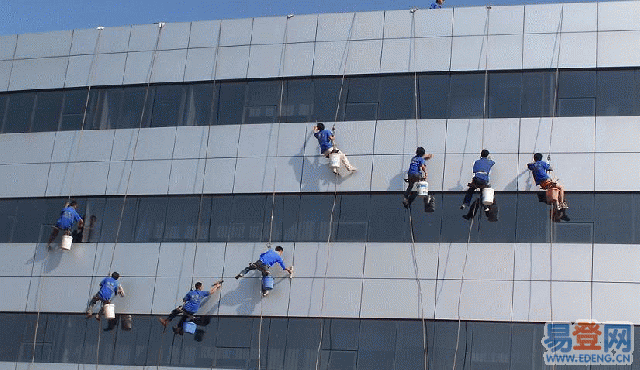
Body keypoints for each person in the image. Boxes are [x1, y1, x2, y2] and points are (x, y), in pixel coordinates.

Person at [159, 281, 223, 334]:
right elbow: (211, 292)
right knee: (184, 317)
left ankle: (167, 321)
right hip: (193, 311)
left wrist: (188, 298)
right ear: (200, 287)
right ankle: (179, 328)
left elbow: (184, 300)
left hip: (187, 308)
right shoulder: (202, 293)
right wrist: (216, 286)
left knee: (176, 311)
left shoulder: (191, 293)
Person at [527, 153, 569, 220]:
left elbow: (529, 166)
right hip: (547, 181)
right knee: (560, 187)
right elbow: (550, 168)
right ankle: (561, 203)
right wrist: (547, 164)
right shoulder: (542, 163)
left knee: (554, 190)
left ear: (535, 158)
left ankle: (557, 204)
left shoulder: (532, 165)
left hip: (542, 184)